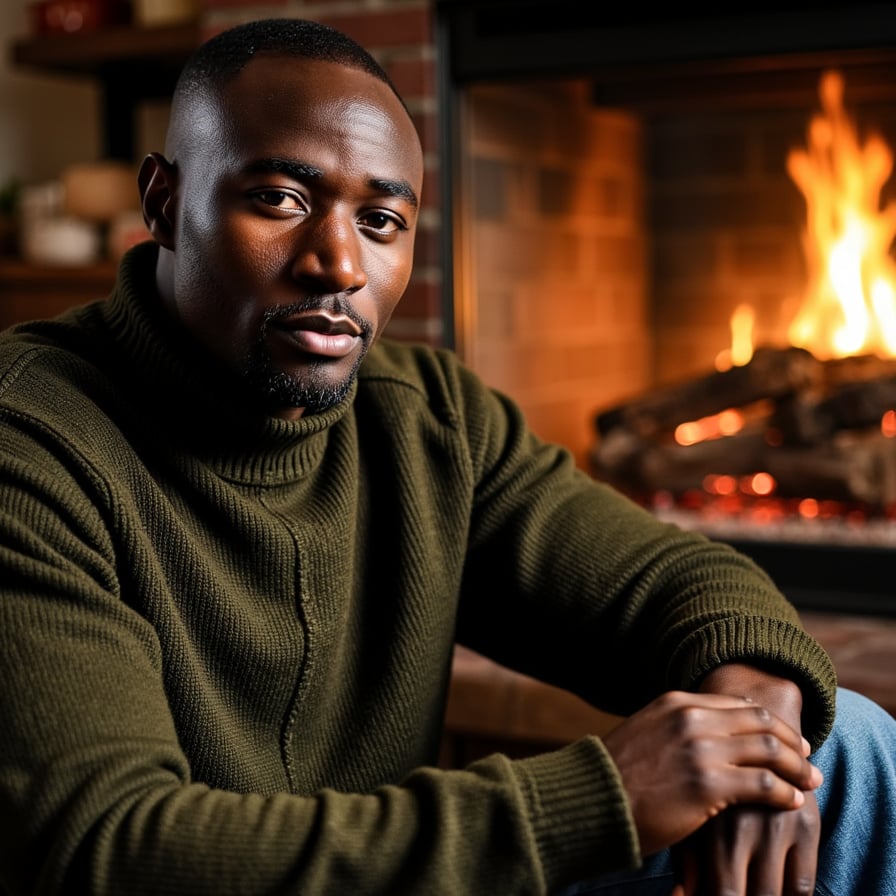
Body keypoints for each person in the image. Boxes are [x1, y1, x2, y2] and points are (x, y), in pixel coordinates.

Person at [0, 17, 893, 896]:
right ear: (163, 201)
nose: (339, 263)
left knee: (836, 746)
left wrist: (757, 719)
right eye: (280, 199)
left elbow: (673, 578)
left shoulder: (429, 419)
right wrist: (608, 796)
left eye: (382, 219)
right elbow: (106, 850)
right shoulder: (31, 439)